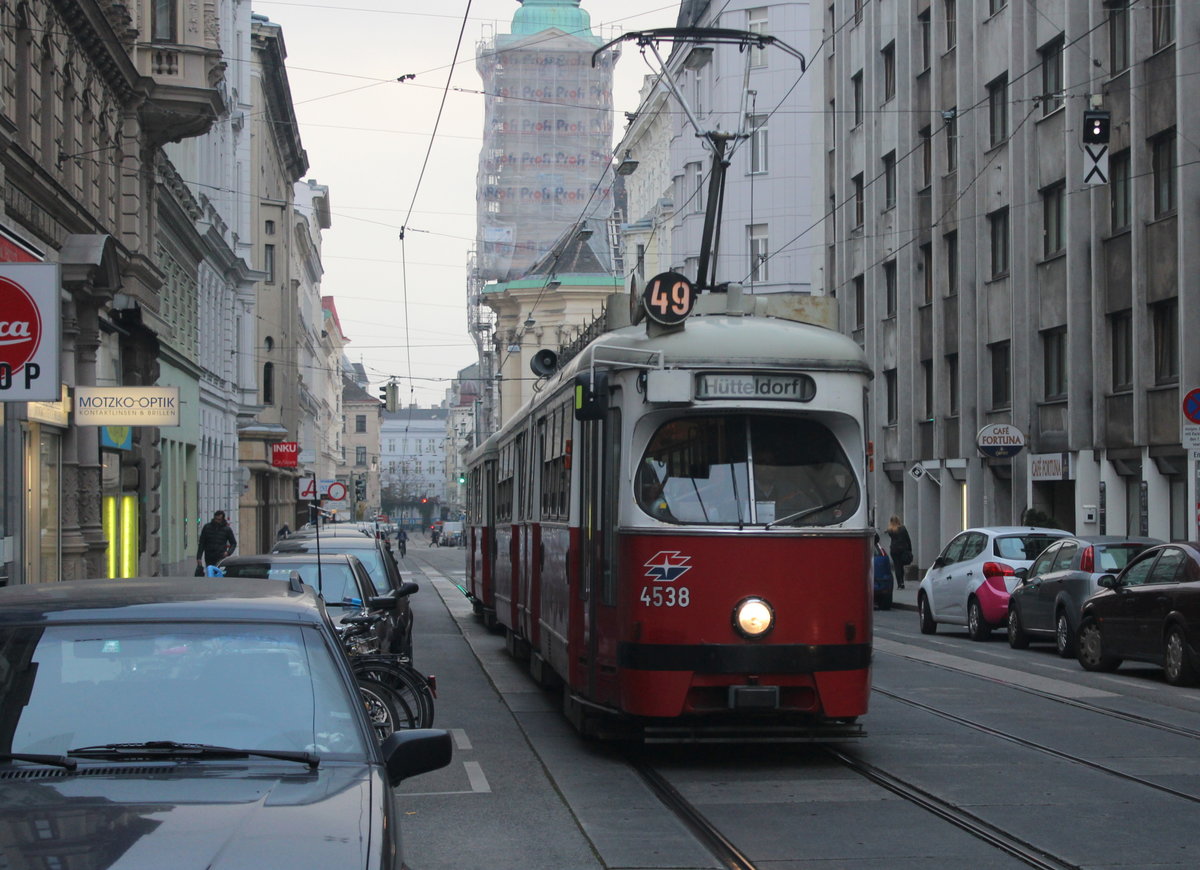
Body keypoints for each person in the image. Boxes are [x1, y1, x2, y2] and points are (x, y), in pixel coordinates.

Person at [887, 515, 913, 589]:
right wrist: (910, 549)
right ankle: (902, 582)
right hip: (903, 549)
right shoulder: (903, 529)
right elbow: (908, 539)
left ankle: (899, 583)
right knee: (901, 566)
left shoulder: (890, 530)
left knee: (897, 566)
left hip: (894, 550)